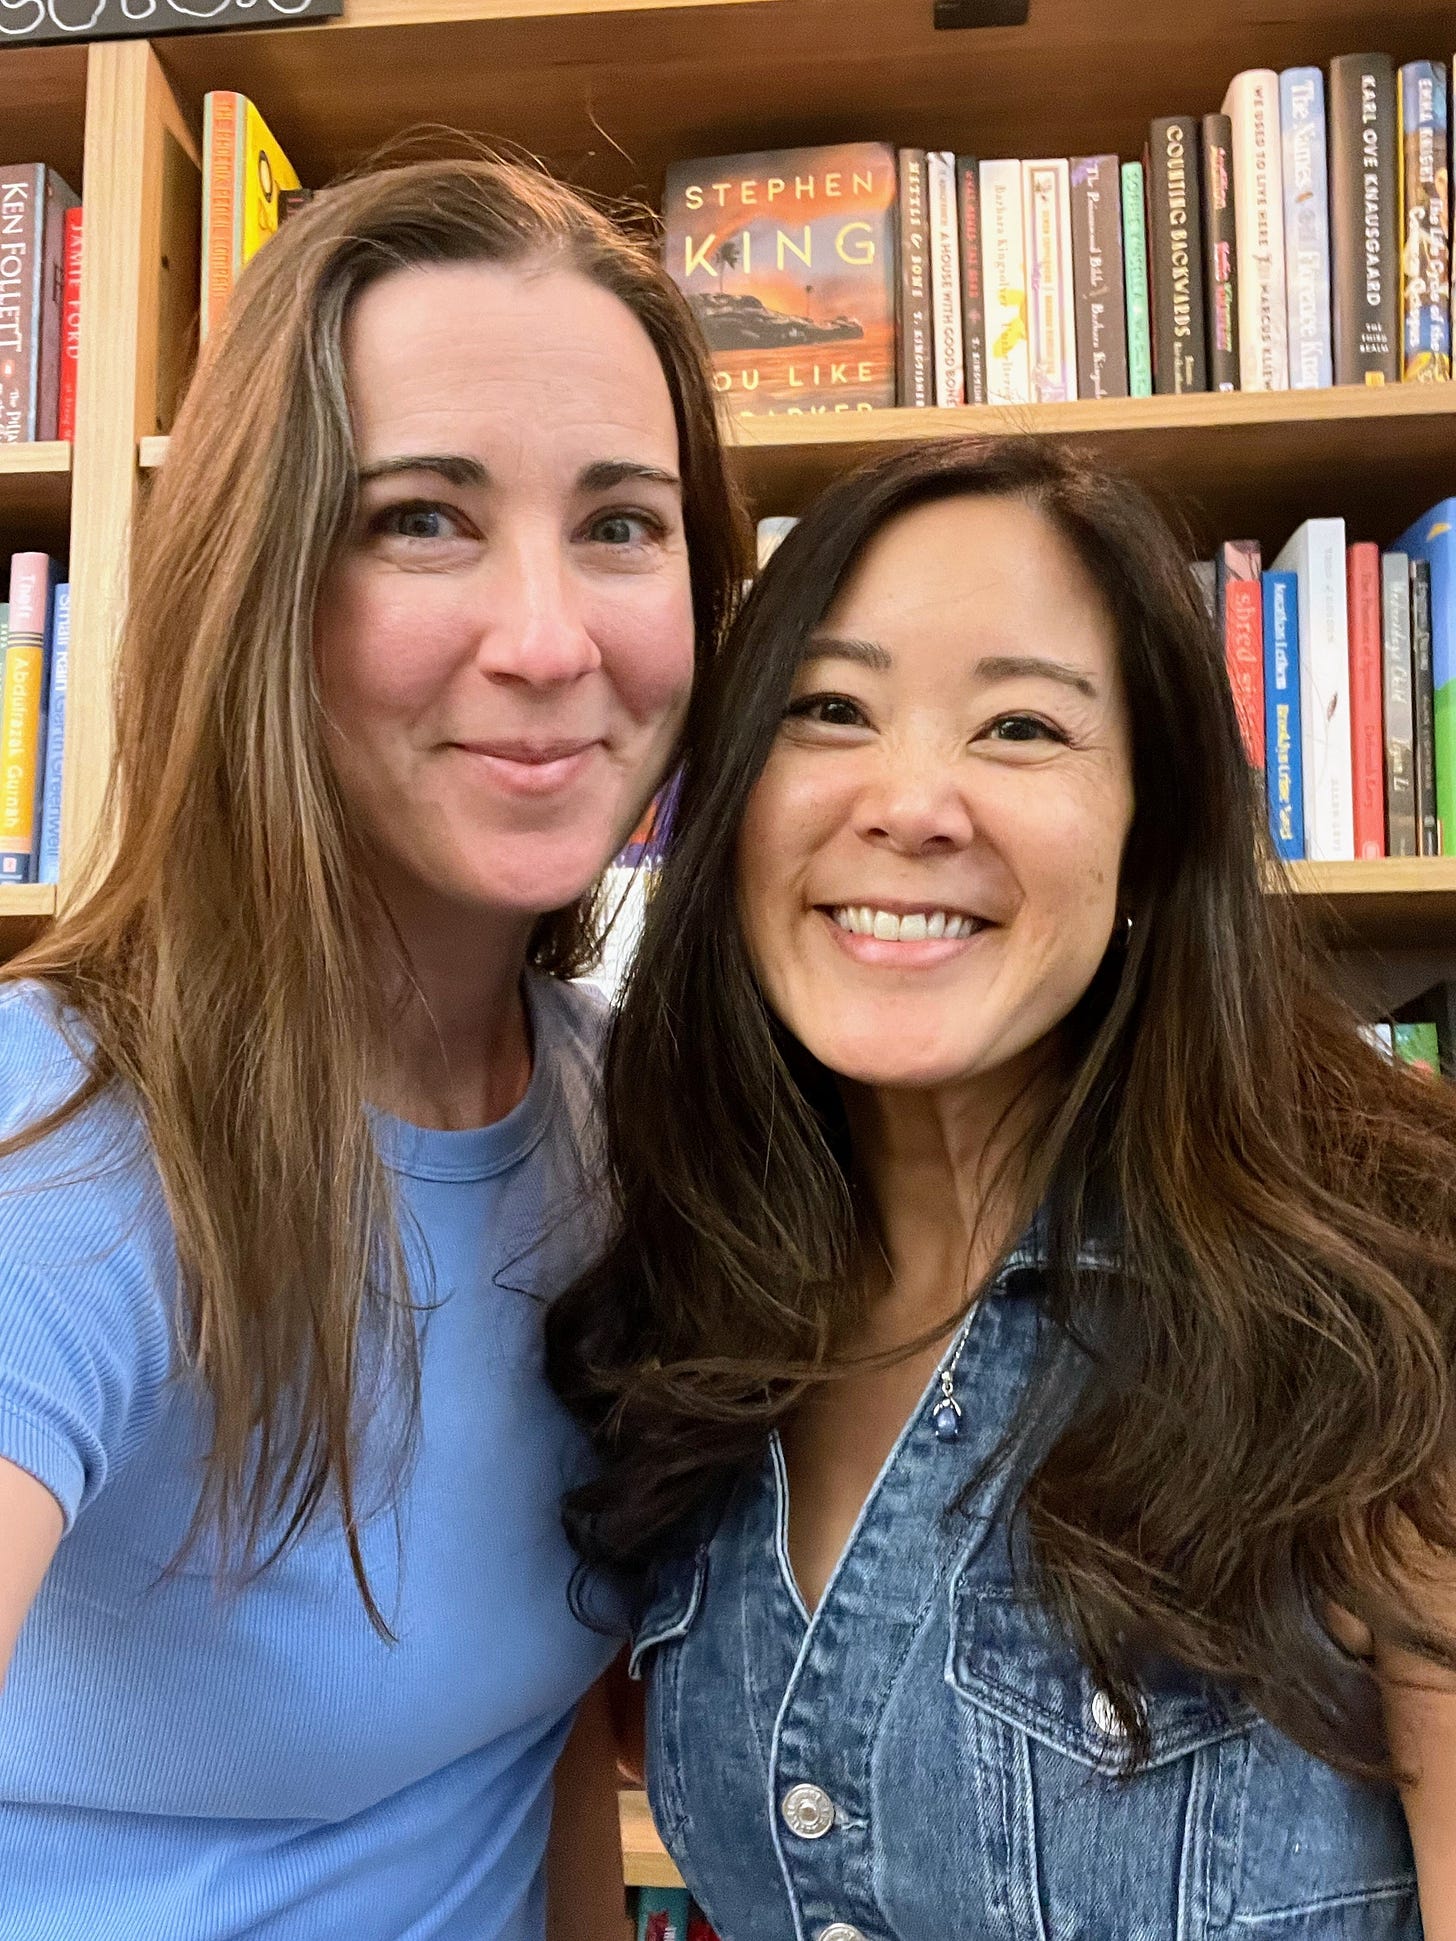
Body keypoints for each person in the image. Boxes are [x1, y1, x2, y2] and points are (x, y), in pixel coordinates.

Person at [549, 437, 1456, 1938]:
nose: (911, 802)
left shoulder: (1388, 1311)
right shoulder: (667, 1316)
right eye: (828, 710)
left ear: (1153, 821)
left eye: (1022, 726)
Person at [0, 156, 744, 1940]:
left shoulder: (625, 1117)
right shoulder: (68, 1144)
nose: (551, 638)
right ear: (264, 586)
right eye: (423, 516)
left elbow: (522, 1757)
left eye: (624, 524)